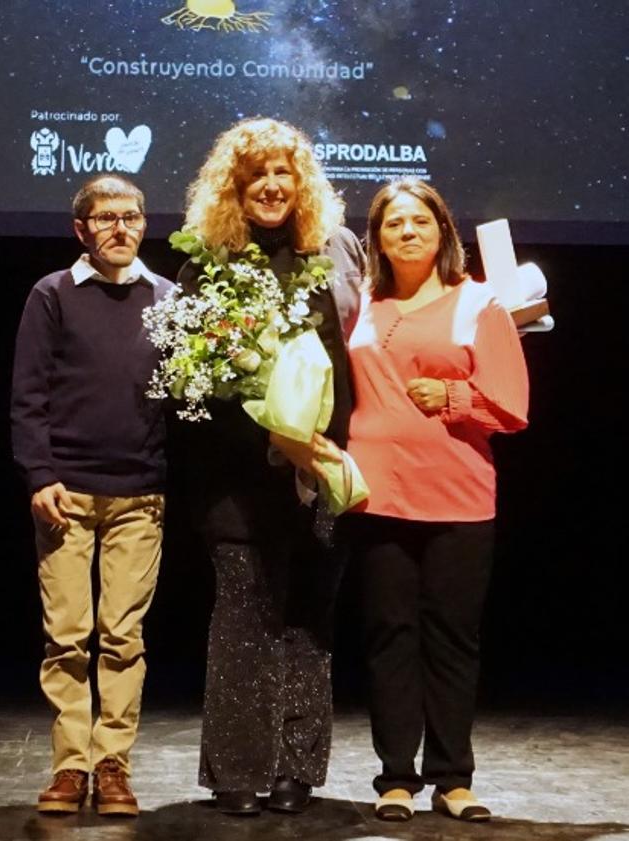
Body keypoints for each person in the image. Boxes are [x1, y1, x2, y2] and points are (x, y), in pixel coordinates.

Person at [176, 117, 365, 815]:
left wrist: (320, 451)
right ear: (234, 188)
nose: (272, 187)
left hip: (311, 476)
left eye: (283, 174)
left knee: (307, 625)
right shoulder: (205, 267)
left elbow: (338, 374)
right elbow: (192, 385)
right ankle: (235, 770)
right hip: (235, 482)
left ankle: (294, 769)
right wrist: (264, 441)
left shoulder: (318, 262)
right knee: (241, 625)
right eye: (256, 176)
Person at [345, 178, 529, 823]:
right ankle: (396, 778)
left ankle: (453, 778)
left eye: (420, 220)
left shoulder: (477, 304)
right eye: (393, 223)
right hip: (375, 495)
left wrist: (450, 399)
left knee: (451, 640)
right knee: (387, 637)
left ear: (443, 231)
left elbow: (512, 407)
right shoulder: (361, 304)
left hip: (457, 495)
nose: (407, 232)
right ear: (377, 239)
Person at [11, 174, 173, 816]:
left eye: (131, 217)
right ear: (81, 229)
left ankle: (112, 767)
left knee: (121, 637)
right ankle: (70, 768)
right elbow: (28, 395)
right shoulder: (52, 294)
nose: (120, 228)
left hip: (140, 494)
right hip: (66, 493)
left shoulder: (167, 297)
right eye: (105, 218)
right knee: (68, 637)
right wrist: (39, 474)